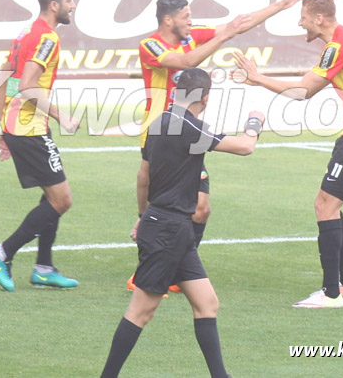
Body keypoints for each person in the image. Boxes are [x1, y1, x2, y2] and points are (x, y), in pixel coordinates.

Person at [129, 0, 308, 291]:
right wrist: (221, 39)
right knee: (160, 204)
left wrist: (281, 5)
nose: (191, 21)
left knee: (201, 208)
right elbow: (183, 63)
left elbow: (237, 25)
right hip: (161, 132)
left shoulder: (191, 36)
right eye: (185, 17)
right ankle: (148, 269)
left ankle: (176, 270)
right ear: (169, 20)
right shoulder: (150, 45)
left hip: (190, 130)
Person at [101, 68, 265, 378]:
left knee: (207, 303)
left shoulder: (160, 122)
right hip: (168, 228)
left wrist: (142, 217)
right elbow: (245, 146)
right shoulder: (190, 127)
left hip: (170, 228)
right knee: (140, 311)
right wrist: (254, 123)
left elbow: (143, 176)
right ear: (205, 98)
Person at [233, 0, 343, 308]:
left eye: (303, 16)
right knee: (328, 204)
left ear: (319, 18)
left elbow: (302, 91)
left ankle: (331, 294)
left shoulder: (338, 46)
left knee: (325, 206)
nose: (300, 22)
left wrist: (257, 77)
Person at [0, 0, 80, 292]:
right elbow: (26, 84)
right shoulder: (48, 37)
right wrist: (62, 116)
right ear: (55, 5)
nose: (73, 5)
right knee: (62, 199)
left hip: (20, 125)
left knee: (51, 195)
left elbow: (5, 79)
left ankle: (43, 267)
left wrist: (4, 126)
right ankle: (3, 252)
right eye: (69, 1)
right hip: (29, 127)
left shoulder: (25, 34)